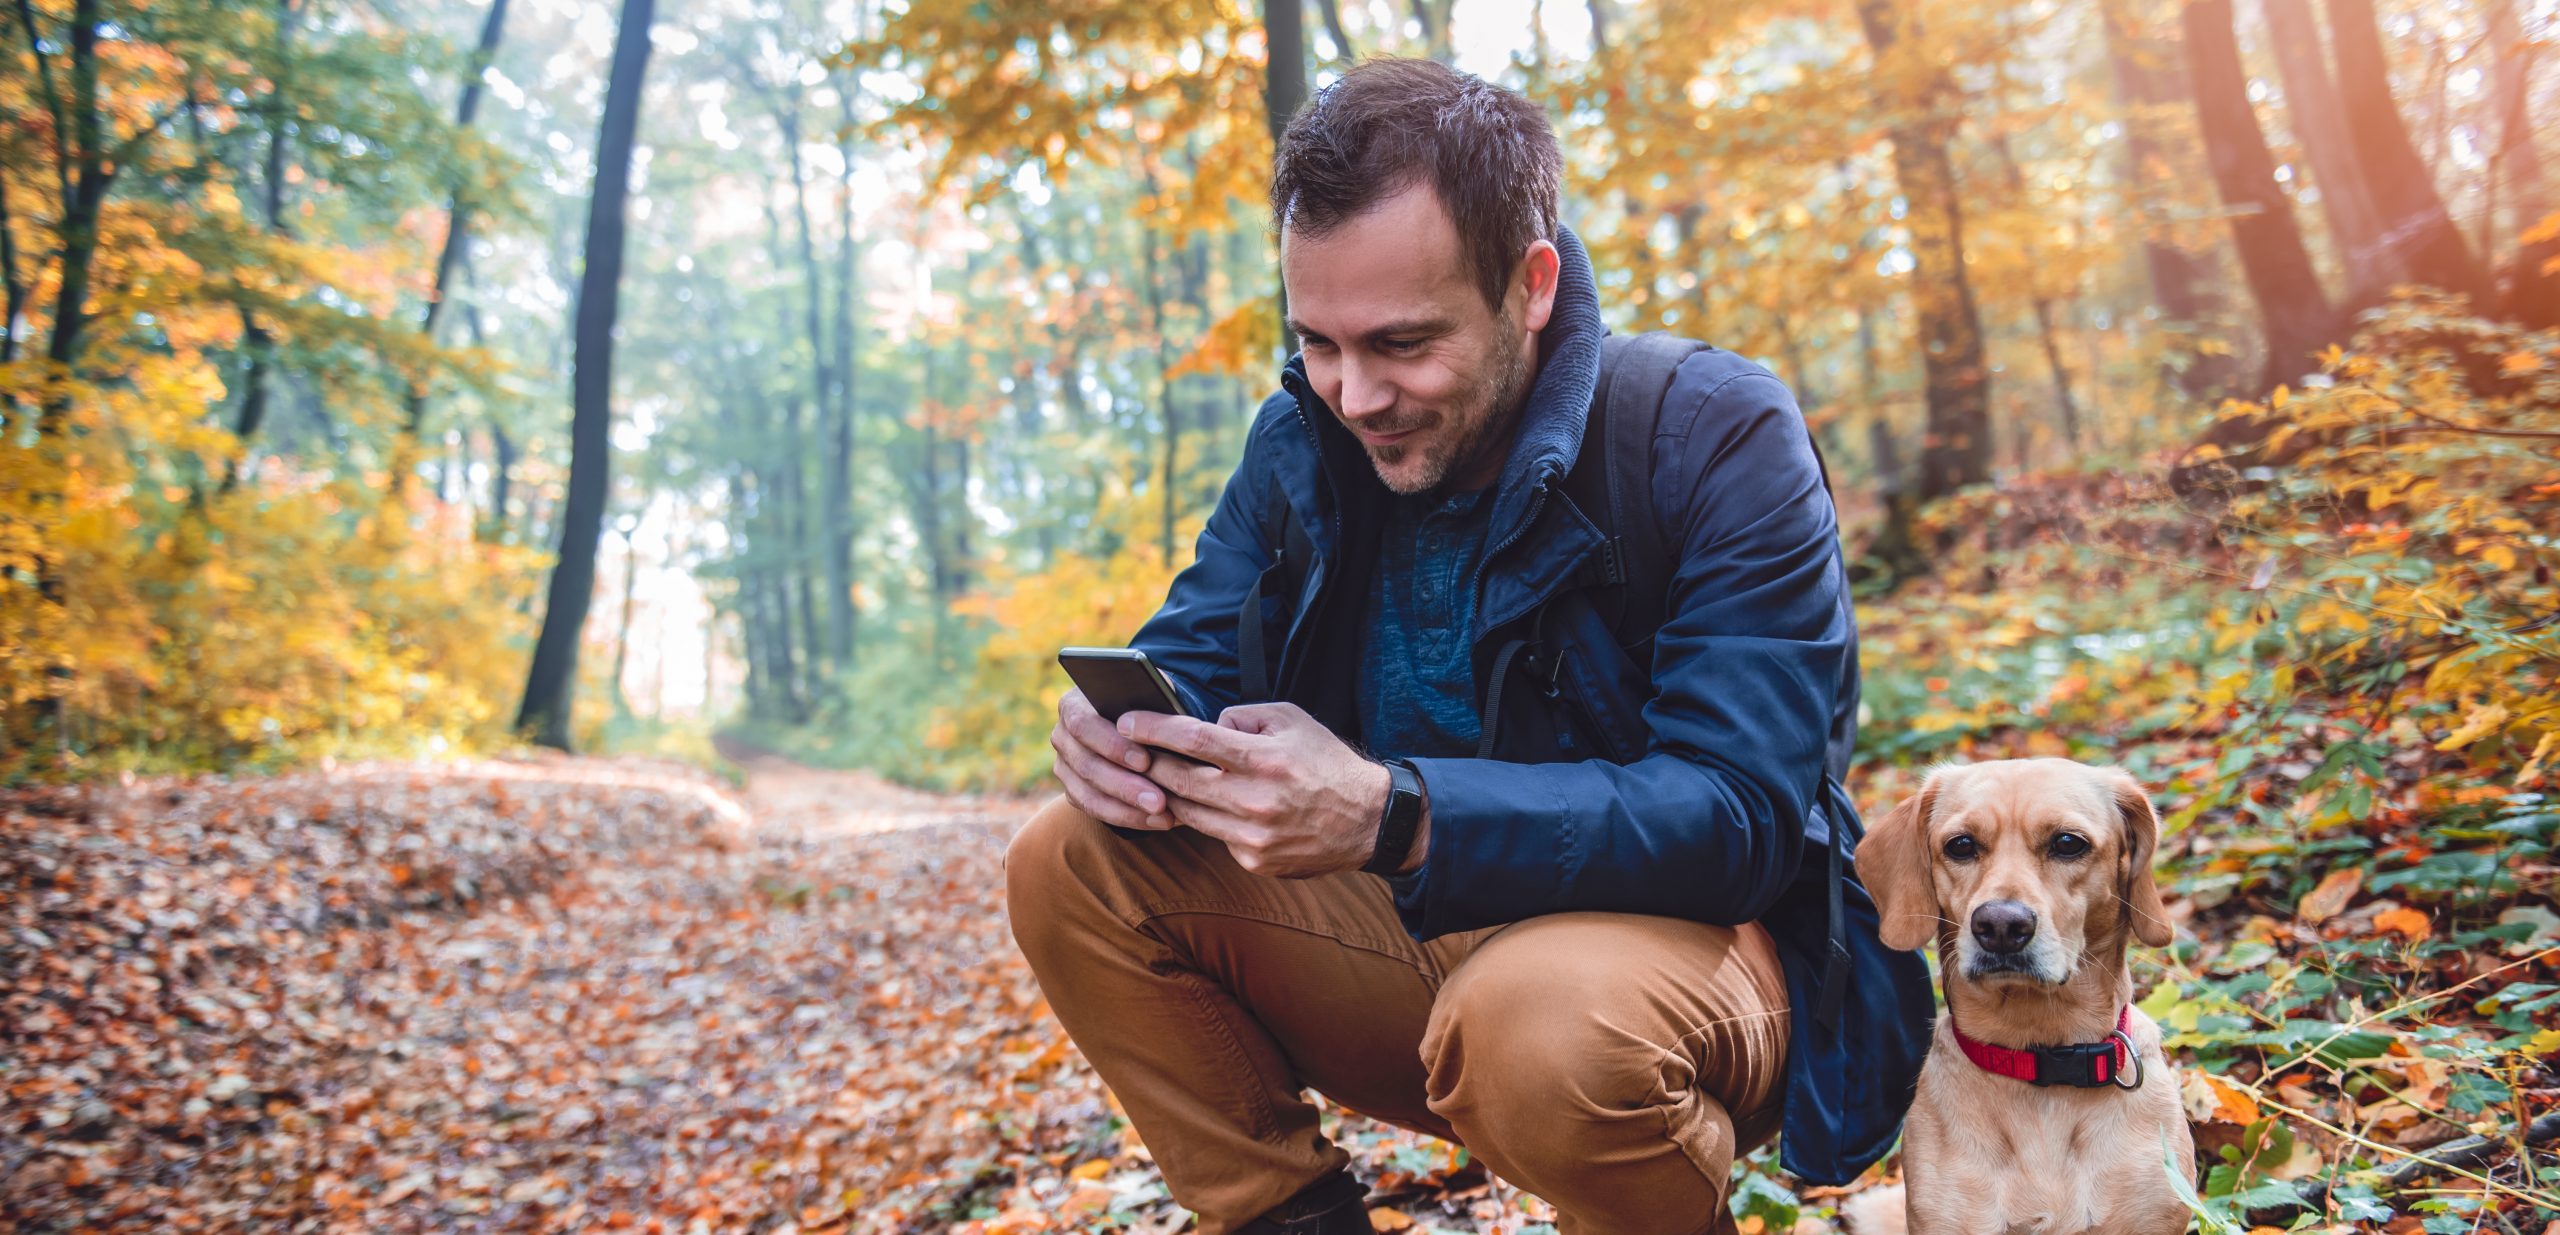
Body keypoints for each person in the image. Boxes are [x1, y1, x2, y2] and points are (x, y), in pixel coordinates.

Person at [1005, 57, 1933, 1235]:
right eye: (1320, 343)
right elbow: (1194, 645)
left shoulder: (1708, 432)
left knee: (1538, 1019)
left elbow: (1741, 817)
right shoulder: (1301, 438)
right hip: (1418, 945)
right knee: (1067, 858)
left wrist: (1397, 811)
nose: (1355, 392)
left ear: (1531, 282)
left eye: (1401, 342)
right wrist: (1126, 732)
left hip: (1697, 966)